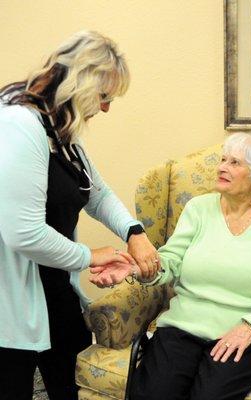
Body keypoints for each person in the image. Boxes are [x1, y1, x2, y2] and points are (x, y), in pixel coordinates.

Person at [90, 131, 251, 400]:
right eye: (223, 159)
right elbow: (170, 261)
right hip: (181, 327)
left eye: (235, 163)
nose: (221, 167)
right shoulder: (198, 209)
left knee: (209, 395)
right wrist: (138, 269)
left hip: (239, 333)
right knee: (153, 394)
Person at [0, 30, 159, 400]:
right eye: (104, 97)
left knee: (68, 375)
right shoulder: (19, 125)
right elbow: (22, 233)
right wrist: (91, 256)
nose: (105, 108)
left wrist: (134, 232)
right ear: (78, 84)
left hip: (53, 281)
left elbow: (96, 193)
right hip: (13, 293)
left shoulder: (59, 127)